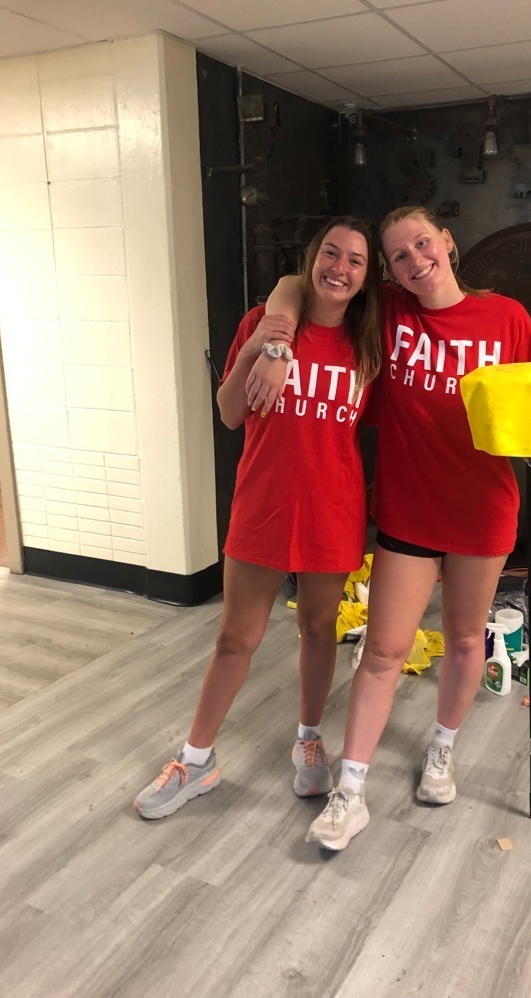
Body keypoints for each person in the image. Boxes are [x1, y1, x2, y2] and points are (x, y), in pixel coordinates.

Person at [253, 206, 531, 849]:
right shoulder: (388, 311)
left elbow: (529, 403)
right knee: (383, 650)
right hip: (410, 511)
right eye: (399, 256)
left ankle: (442, 748)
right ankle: (350, 791)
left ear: (448, 242)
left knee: (464, 638)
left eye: (422, 243)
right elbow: (298, 284)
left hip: (482, 509)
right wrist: (275, 340)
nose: (415, 260)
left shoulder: (507, 317)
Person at [133, 216, 381, 820]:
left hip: (332, 508)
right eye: (331, 253)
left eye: (355, 260)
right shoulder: (266, 323)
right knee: (234, 639)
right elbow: (228, 413)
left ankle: (308, 738)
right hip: (263, 505)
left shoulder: (369, 344)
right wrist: (262, 349)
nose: (339, 268)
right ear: (312, 257)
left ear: (366, 276)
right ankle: (196, 759)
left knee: (319, 630)